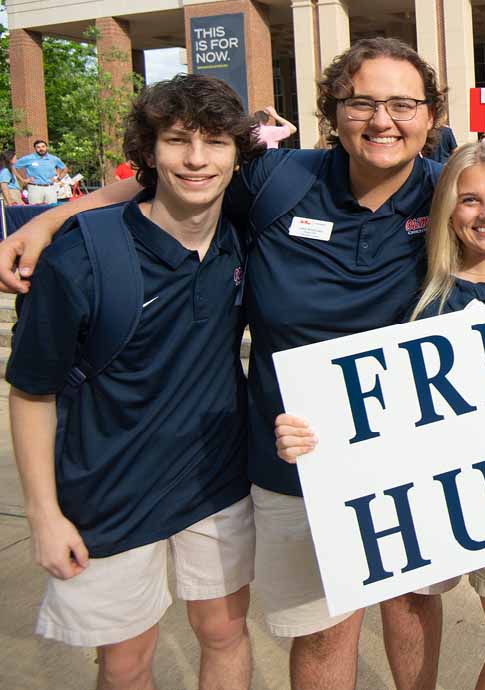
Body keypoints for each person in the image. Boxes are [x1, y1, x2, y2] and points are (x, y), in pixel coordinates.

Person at [0, 37, 457, 690]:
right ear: (333, 111)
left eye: (403, 103)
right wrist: (49, 222)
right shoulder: (280, 180)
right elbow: (178, 174)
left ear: (432, 115)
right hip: (289, 460)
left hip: (410, 454)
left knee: (411, 608)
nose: (382, 120)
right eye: (362, 102)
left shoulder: (454, 193)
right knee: (324, 625)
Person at [277, 142, 485, 690]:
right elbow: (380, 406)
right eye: (469, 200)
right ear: (447, 213)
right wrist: (307, 432)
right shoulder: (432, 305)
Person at [6, 74, 258, 690]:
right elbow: (32, 393)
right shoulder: (83, 257)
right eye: (177, 141)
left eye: (215, 143)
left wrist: (56, 210)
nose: (197, 159)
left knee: (225, 633)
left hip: (215, 479)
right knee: (125, 662)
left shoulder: (240, 234)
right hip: (108, 488)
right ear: (148, 153)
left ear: (236, 155)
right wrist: (45, 516)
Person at [15, 139, 66, 205]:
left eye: (43, 146)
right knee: (35, 210)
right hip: (35, 187)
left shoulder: (54, 159)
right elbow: (13, 167)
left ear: (46, 147)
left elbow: (65, 169)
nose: (41, 149)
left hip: (50, 187)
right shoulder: (28, 158)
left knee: (52, 210)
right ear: (35, 148)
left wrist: (58, 179)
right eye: (38, 147)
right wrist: (22, 180)